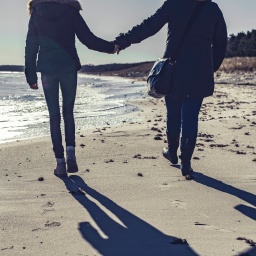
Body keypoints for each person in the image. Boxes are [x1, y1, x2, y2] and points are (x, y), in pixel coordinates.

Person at [114, 0, 227, 179]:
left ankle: (172, 152)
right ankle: (186, 163)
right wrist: (210, 66)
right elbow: (221, 43)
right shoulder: (212, 9)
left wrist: (122, 41)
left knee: (173, 112)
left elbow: (149, 26)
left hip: (176, 70)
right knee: (191, 116)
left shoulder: (175, 3)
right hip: (200, 72)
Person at [25, 0, 119, 177]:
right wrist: (111, 47)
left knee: (54, 115)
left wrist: (30, 75)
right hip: (68, 68)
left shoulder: (37, 12)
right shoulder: (70, 10)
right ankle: (71, 155)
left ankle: (60, 163)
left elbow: (31, 46)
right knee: (68, 112)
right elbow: (88, 39)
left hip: (48, 70)